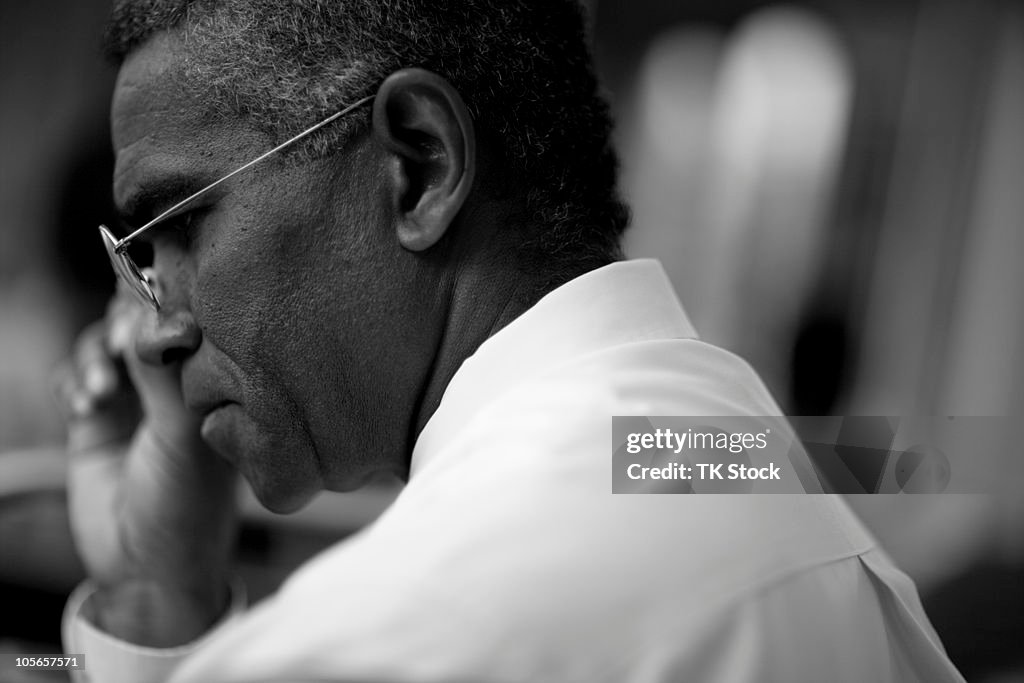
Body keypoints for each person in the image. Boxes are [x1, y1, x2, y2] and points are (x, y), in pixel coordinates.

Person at [54, 1, 965, 681]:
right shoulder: (741, 457)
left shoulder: (395, 633)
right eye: (139, 263)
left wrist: (150, 608)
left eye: (180, 226)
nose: (157, 327)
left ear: (419, 167)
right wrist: (163, 583)